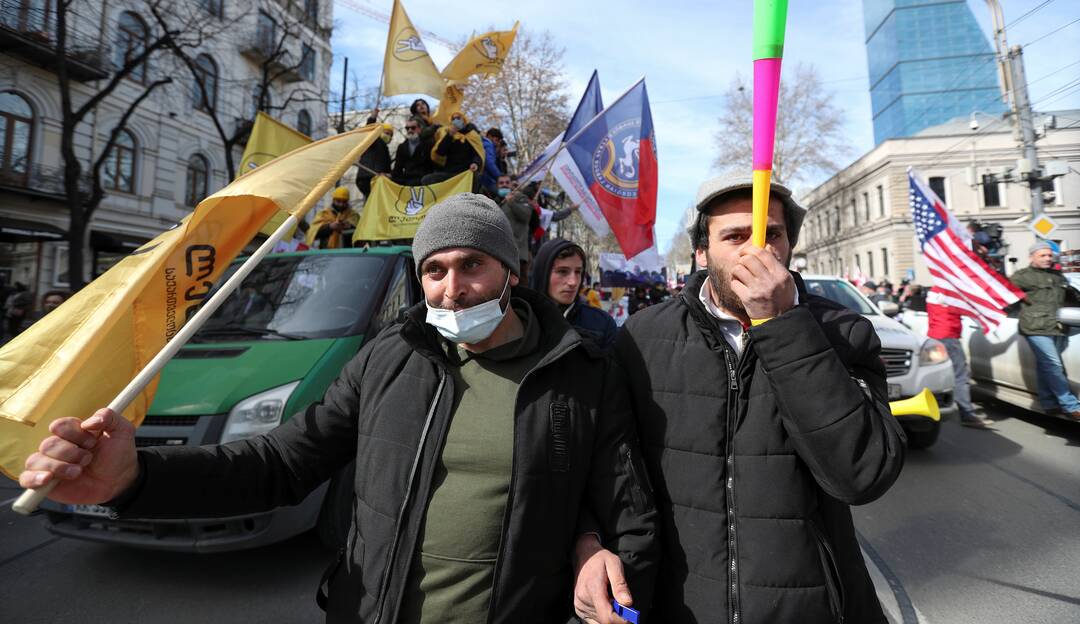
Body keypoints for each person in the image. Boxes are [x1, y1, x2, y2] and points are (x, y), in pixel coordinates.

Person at [20, 193, 659, 623]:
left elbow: (626, 512)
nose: (453, 288)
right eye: (434, 269)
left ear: (512, 273)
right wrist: (138, 478)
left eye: (473, 265)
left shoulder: (585, 373)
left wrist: (596, 555)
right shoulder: (390, 359)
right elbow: (280, 461)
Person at [572, 174, 905, 624]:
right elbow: (604, 464)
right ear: (702, 253)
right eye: (735, 237)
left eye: (773, 235)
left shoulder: (842, 334)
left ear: (789, 246)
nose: (757, 251)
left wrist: (783, 325)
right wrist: (588, 539)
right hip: (682, 606)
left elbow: (863, 474)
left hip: (808, 607)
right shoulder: (644, 338)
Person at [1010, 241, 1080, 419]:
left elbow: (1070, 297)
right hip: (1034, 327)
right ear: (1032, 257)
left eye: (1050, 255)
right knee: (1053, 365)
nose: (1048, 258)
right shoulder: (1021, 276)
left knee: (1046, 366)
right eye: (1043, 255)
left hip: (1057, 326)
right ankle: (1071, 405)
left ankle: (1048, 403)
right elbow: (1005, 296)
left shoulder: (1058, 276)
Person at [530, 238, 617, 350]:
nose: (573, 282)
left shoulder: (603, 324)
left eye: (578, 272)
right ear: (542, 273)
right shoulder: (518, 320)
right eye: (562, 271)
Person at [926, 287, 988, 427]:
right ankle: (967, 414)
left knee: (937, 375)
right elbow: (966, 309)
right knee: (961, 375)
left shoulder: (934, 290)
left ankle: (931, 411)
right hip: (948, 336)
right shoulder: (949, 292)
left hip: (934, 335)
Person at [424, 113, 483, 185]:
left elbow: (477, 153)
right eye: (453, 119)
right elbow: (440, 152)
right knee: (427, 179)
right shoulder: (447, 133)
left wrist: (475, 163)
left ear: (464, 119)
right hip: (449, 173)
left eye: (458, 118)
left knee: (476, 179)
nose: (456, 121)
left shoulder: (473, 135)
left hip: (466, 173)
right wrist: (449, 136)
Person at [501, 180, 537, 280]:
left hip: (518, 253)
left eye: (515, 185)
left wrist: (511, 202)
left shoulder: (523, 199)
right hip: (502, 251)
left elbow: (525, 216)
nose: (510, 187)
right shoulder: (500, 200)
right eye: (502, 184)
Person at [393, 115, 436, 185]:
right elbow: (397, 169)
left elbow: (433, 165)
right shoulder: (402, 147)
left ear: (419, 129)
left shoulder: (428, 144)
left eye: (413, 128)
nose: (410, 130)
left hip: (424, 182)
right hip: (407, 182)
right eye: (407, 128)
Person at [355, 123, 394, 199]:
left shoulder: (385, 149)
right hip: (369, 177)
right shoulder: (374, 141)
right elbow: (370, 130)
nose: (388, 136)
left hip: (371, 178)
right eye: (386, 133)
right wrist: (372, 118)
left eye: (390, 135)